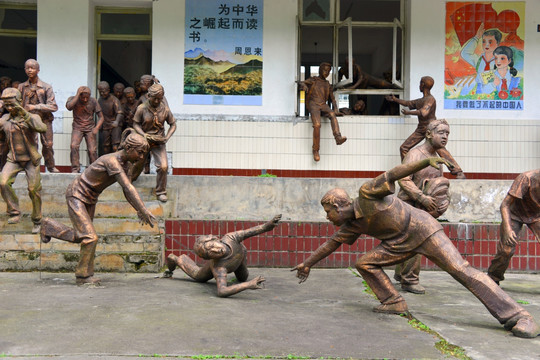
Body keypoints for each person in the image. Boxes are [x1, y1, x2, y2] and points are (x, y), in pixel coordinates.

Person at [292, 157, 540, 338]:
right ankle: (393, 301)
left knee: (461, 270)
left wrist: (424, 163)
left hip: (423, 230)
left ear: (338, 207)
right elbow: (330, 244)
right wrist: (307, 263)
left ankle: (520, 316)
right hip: (397, 244)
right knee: (364, 262)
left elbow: (392, 174)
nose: (327, 218)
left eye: (327, 213)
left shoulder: (367, 194)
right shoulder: (351, 224)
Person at [40, 129, 156, 285]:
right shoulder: (112, 161)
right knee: (90, 237)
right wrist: (143, 209)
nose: (141, 157)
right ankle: (83, 276)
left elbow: (127, 190)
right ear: (128, 148)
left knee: (82, 236)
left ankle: (49, 226)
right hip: (77, 194)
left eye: (144, 154)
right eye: (140, 153)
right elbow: (128, 187)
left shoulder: (125, 164)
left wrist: (138, 209)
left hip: (90, 198)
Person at [394, 119, 452, 294]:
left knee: (408, 243)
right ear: (428, 134)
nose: (445, 137)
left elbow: (437, 184)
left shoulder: (437, 159)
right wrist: (421, 197)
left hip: (423, 208)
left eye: (447, 133)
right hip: (409, 206)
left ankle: (400, 274)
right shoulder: (415, 155)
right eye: (441, 132)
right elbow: (403, 179)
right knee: (416, 241)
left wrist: (442, 199)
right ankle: (410, 280)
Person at [166, 214, 281, 297]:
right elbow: (222, 291)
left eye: (212, 245)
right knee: (197, 275)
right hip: (229, 263)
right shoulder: (218, 267)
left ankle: (241, 256)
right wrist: (248, 285)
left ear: (215, 238)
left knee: (242, 277)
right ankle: (175, 259)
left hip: (239, 259)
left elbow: (252, 231)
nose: (216, 250)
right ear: (209, 258)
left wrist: (268, 225)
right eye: (210, 253)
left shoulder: (231, 238)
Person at [385, 76, 465, 179]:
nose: (419, 86)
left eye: (420, 83)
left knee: (439, 148)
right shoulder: (422, 100)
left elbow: (423, 112)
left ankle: (458, 171)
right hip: (421, 128)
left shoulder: (430, 99)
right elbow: (409, 103)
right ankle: (408, 172)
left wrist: (408, 112)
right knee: (404, 148)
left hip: (431, 127)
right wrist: (395, 99)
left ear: (423, 85)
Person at [0, 88, 47, 234]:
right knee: (3, 182)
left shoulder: (31, 117)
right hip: (13, 159)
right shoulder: (4, 120)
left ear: (20, 102)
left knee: (34, 190)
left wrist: (24, 113)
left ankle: (37, 220)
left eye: (12, 104)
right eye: (6, 105)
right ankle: (14, 212)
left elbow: (42, 128)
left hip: (30, 160)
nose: (10, 108)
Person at [487, 169, 540, 285]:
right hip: (515, 214)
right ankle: (493, 277)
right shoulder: (526, 178)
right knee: (506, 250)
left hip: (537, 215)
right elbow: (505, 205)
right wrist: (507, 229)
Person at [133, 83, 176, 202]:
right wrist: (144, 135)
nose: (157, 101)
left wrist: (167, 137)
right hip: (144, 139)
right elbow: (135, 124)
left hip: (158, 141)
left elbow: (173, 124)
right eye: (155, 98)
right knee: (138, 163)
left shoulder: (165, 109)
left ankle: (161, 191)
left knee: (163, 166)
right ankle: (130, 180)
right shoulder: (141, 108)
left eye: (160, 98)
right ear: (148, 96)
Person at [297, 62, 347, 162]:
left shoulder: (327, 84)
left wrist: (336, 110)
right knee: (317, 125)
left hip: (323, 105)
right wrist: (304, 86)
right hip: (313, 104)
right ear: (320, 70)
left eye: (328, 71)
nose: (326, 73)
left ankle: (338, 138)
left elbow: (332, 99)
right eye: (324, 70)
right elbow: (300, 82)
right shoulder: (313, 79)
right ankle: (315, 150)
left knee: (332, 114)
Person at [18, 59, 59, 173]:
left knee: (48, 144)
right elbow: (18, 104)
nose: (30, 70)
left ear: (38, 70)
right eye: (27, 68)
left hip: (45, 120)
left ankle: (50, 167)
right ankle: (34, 168)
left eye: (33, 68)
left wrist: (34, 107)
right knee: (31, 145)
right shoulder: (21, 87)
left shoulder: (46, 87)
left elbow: (54, 107)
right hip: (29, 120)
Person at [66, 86, 105, 173]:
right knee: (74, 146)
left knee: (92, 150)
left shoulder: (93, 101)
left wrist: (96, 128)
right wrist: (77, 95)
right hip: (77, 127)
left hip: (90, 128)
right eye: (83, 97)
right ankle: (75, 168)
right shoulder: (73, 99)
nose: (85, 99)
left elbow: (101, 117)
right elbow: (69, 107)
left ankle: (94, 168)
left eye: (87, 97)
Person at [460, 24, 503, 94]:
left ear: (497, 44)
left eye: (490, 42)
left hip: (495, 92)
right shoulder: (479, 60)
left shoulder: (501, 62)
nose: (486, 44)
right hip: (479, 91)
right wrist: (476, 38)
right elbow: (465, 53)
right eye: (484, 41)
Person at [97, 81, 123, 154]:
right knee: (105, 146)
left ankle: (116, 162)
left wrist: (117, 121)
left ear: (108, 90)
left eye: (104, 92)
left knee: (115, 146)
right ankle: (107, 162)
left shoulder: (114, 100)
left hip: (114, 125)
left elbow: (120, 113)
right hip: (105, 126)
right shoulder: (99, 100)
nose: (102, 94)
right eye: (100, 92)